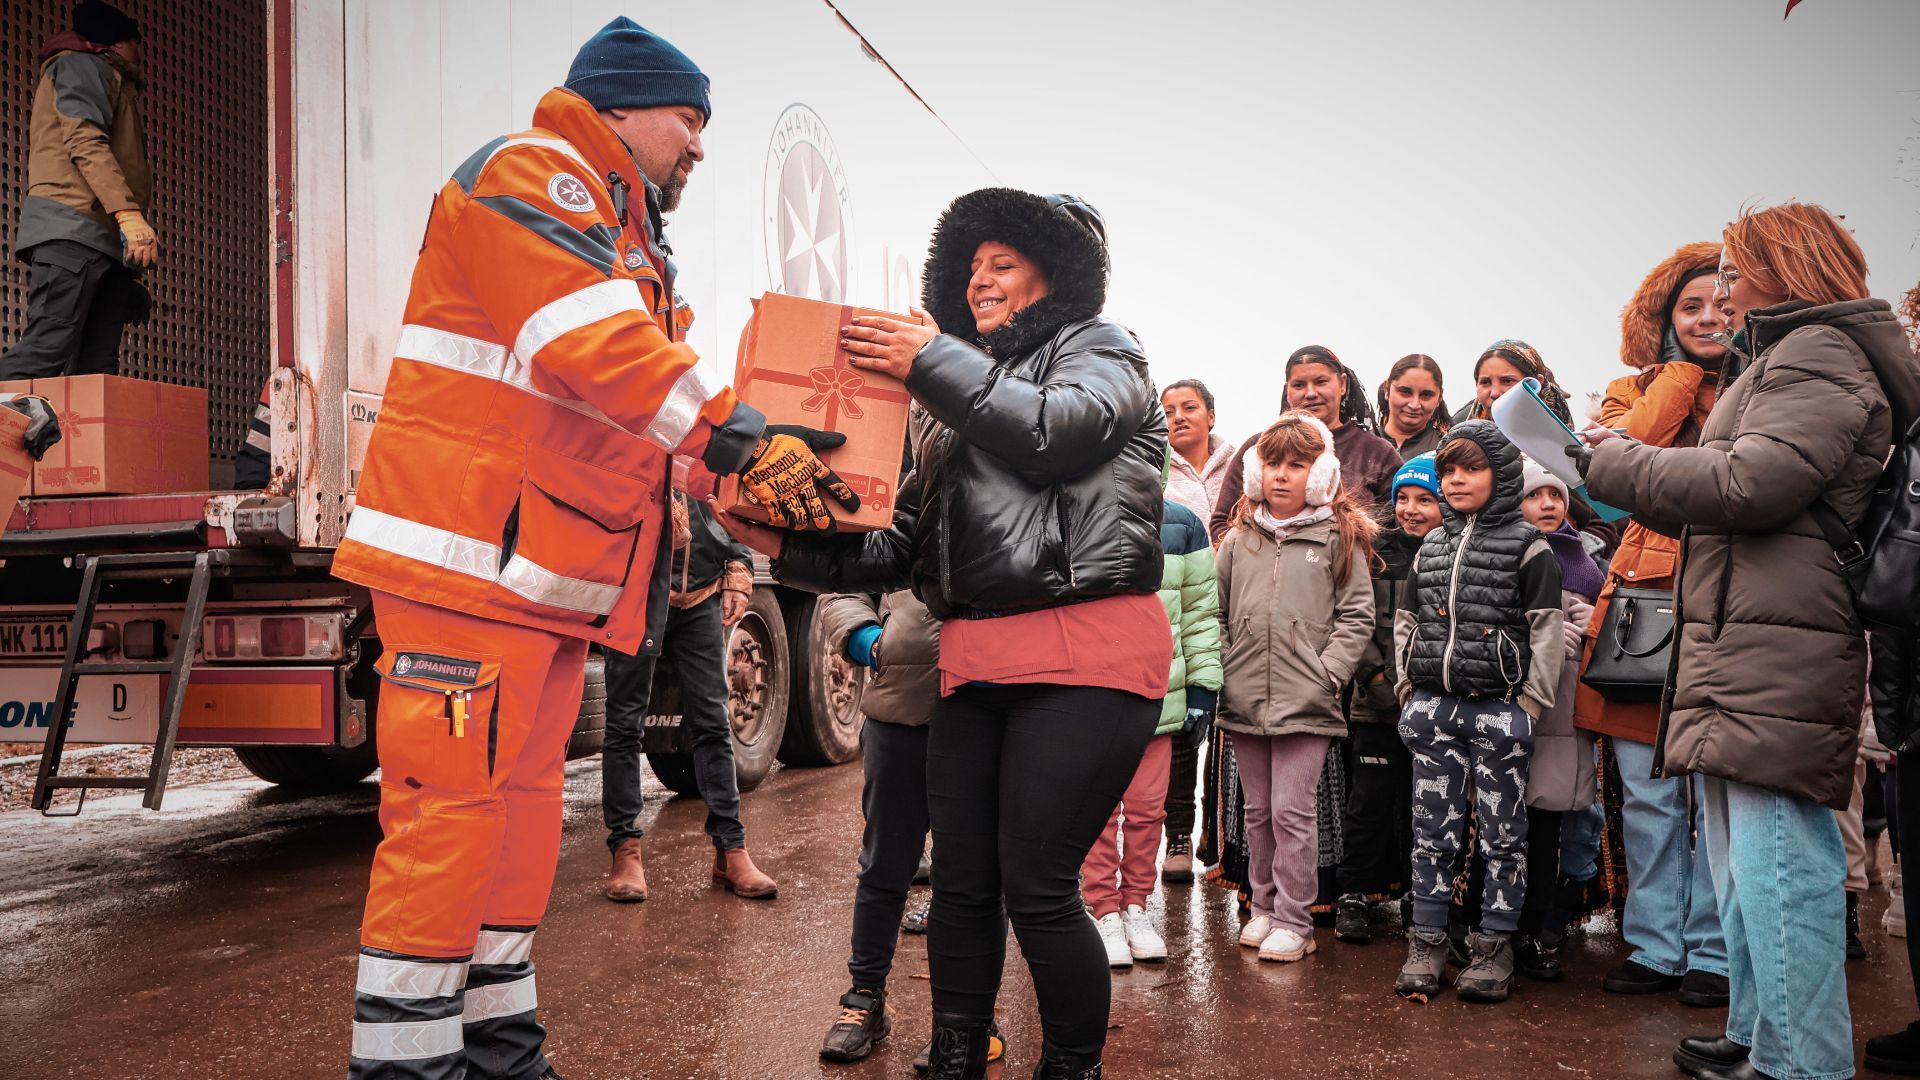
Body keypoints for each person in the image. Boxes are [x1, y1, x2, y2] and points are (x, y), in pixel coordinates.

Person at [328, 20, 853, 1080]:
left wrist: (741, 482)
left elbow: (636, 424)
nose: (700, 147)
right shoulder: (539, 176)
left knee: (516, 824)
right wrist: (743, 438)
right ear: (616, 106)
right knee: (449, 822)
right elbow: (598, 353)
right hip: (468, 568)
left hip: (537, 589)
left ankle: (501, 1051)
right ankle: (406, 1066)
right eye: (688, 120)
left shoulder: (628, 245)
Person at [736, 187, 1170, 1080]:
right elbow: (905, 546)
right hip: (974, 661)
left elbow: (1056, 431)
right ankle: (954, 1056)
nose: (980, 283)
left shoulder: (1104, 350)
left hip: (1087, 654)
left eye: (1001, 265)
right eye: (970, 270)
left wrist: (932, 359)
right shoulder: (949, 394)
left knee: (1040, 887)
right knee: (964, 885)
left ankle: (1072, 1067)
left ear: (1058, 273)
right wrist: (783, 544)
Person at [1578, 202, 1920, 1080]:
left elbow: (1749, 482)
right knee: (1744, 865)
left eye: (1734, 269)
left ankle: (1805, 1065)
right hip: (1755, 629)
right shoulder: (1788, 356)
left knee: (1777, 867)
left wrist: (1612, 460)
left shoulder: (1821, 355)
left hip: (1782, 636)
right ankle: (1768, 1045)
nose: (1724, 289)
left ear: (1782, 265)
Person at [1572, 241, 1731, 1009]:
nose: (1710, 317)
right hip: (1642, 614)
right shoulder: (1625, 391)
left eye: (1723, 303)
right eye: (1690, 306)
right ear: (1663, 319)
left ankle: (1713, 952)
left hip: (1728, 612)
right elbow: (1617, 471)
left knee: (1712, 798)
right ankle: (1656, 944)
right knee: (1649, 795)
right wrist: (1682, 372)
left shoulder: (1759, 387)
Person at [1392, 420, 1565, 1004]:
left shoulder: (1528, 546)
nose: (1456, 480)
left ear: (1502, 474)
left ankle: (1494, 947)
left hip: (1499, 711)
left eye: (1471, 468)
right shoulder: (1432, 546)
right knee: (1431, 832)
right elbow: (1406, 621)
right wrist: (1406, 689)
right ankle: (1428, 940)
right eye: (1448, 470)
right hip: (1434, 709)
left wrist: (1531, 705)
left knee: (1502, 836)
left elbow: (1546, 632)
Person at [1214, 413, 1376, 963]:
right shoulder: (1238, 539)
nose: (1282, 475)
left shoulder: (1339, 536)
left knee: (1292, 811)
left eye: (1296, 464)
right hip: (1243, 697)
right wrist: (1226, 664)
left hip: (1307, 698)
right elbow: (1216, 611)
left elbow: (1357, 616)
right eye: (1273, 463)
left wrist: (1327, 673)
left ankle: (1295, 919)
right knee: (1257, 810)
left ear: (1321, 471)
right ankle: (1262, 907)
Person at [601, 475, 775, 903]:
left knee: (713, 725)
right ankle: (626, 850)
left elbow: (730, 498)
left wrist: (737, 565)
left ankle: (730, 850)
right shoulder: (631, 423)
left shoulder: (704, 423)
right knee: (625, 724)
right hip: (638, 593)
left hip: (701, 595)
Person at [1085, 488, 1220, 967]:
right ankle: (1102, 908)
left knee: (1147, 810)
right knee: (1098, 810)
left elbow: (1201, 613)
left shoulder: (1182, 524)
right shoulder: (1077, 505)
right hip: (1093, 692)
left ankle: (1136, 905)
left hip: (1159, 693)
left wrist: (1204, 686)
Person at [1, 1, 152, 380]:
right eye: (138, 44)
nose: (141, 54)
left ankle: (80, 443)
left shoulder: (109, 78)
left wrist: (126, 271)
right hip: (72, 230)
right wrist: (129, 214)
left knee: (96, 370)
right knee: (47, 350)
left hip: (100, 240)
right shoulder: (82, 67)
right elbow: (84, 141)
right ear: (119, 45)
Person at [1332, 452, 1439, 945]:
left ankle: (1424, 893)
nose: (1411, 509)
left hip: (1435, 704)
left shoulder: (1448, 553)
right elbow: (1355, 620)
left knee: (1428, 804)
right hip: (1374, 703)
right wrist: (1374, 677)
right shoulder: (1375, 552)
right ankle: (1353, 893)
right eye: (1402, 498)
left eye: (1425, 499)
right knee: (1369, 801)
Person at [1510, 457, 1602, 983]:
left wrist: (1593, 625)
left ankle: (1543, 922)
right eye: (1533, 495)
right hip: (1517, 705)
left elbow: (1608, 630)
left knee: (1550, 823)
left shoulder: (1588, 561)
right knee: (1507, 823)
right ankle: (1504, 918)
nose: (1547, 504)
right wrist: (1541, 636)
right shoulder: (1505, 550)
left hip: (1564, 713)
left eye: (1556, 495)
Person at [1158, 377, 1235, 884]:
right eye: (1168, 410)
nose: (1179, 417)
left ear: (1211, 414)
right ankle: (1178, 836)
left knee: (1220, 735)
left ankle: (1219, 840)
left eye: (1190, 407)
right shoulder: (1155, 471)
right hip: (1179, 606)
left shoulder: (1239, 465)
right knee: (1177, 731)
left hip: (1231, 610)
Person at [1208, 346, 1401, 542]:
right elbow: (1222, 521)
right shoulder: (1259, 447)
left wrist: (1351, 561)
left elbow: (1399, 527)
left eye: (1321, 382)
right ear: (1288, 390)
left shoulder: (1378, 453)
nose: (1310, 393)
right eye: (1299, 385)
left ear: (1343, 384)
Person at [1452, 339, 1574, 425]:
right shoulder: (1457, 428)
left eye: (1507, 381)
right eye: (1485, 382)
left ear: (1536, 383)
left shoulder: (1564, 435)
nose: (1494, 393)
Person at [1376, 355, 1451, 460]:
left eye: (1426, 395)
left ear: (1439, 397)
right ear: (1386, 389)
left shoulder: (1447, 450)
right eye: (1405, 392)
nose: (1414, 405)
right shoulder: (1359, 444)